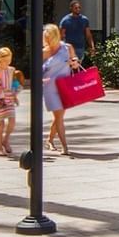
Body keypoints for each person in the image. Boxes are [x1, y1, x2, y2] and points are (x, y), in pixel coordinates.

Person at [40, 23, 79, 157]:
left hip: (64, 86)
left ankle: (49, 140)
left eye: (49, 37)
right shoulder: (44, 52)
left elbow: (75, 64)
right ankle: (65, 146)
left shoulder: (67, 48)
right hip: (50, 87)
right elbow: (37, 70)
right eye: (46, 38)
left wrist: (74, 62)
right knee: (59, 117)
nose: (47, 41)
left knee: (59, 117)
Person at [58, 0, 93, 67]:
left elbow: (88, 34)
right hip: (69, 48)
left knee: (78, 66)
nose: (78, 9)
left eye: (79, 7)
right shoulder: (65, 20)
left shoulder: (84, 20)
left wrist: (92, 46)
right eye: (76, 8)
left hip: (80, 47)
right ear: (71, 8)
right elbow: (61, 36)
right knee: (70, 67)